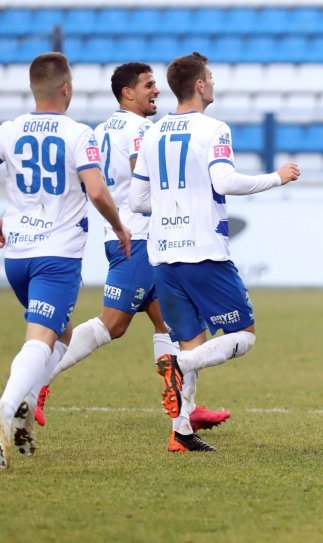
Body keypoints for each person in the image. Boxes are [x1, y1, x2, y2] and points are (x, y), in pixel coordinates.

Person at [34, 62, 231, 433]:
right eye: (148, 85)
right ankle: (38, 382)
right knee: (113, 323)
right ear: (128, 92)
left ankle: (184, 411)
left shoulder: (101, 129)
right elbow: (146, 178)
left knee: (172, 324)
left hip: (127, 236)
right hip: (139, 237)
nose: (156, 91)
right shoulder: (142, 129)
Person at [129, 52, 300, 452]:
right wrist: (277, 177)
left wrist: (176, 203)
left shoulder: (151, 133)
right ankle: (178, 368)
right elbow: (224, 182)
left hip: (163, 254)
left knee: (191, 340)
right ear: (201, 85)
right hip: (203, 250)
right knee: (243, 334)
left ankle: (181, 432)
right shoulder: (214, 129)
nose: (214, 84)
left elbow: (137, 199)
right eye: (211, 78)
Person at [0, 52, 131, 469]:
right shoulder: (78, 134)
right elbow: (95, 191)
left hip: (17, 255)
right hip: (56, 255)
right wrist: (120, 225)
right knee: (40, 338)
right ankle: (6, 410)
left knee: (63, 335)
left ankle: (22, 410)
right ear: (67, 89)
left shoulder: (8, 130)